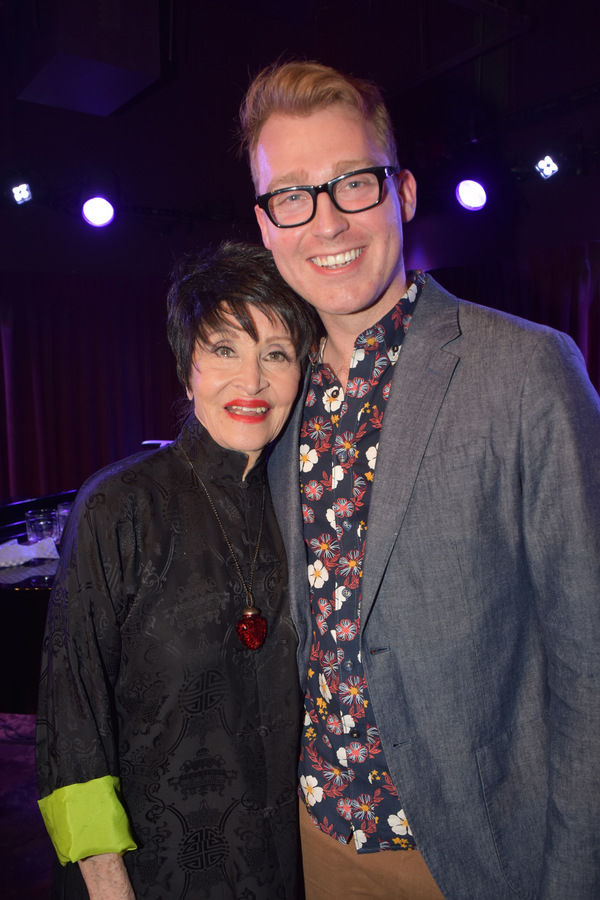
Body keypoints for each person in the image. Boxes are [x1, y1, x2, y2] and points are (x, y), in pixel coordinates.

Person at [238, 60, 600, 899]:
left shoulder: (527, 368)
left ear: (399, 193)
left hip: (477, 854)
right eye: (290, 194)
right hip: (314, 839)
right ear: (265, 225)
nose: (325, 220)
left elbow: (590, 663)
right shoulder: (275, 394)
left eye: (350, 183)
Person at [36, 240, 319, 900]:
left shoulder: (301, 504)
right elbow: (70, 706)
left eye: (275, 354)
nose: (251, 382)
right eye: (225, 349)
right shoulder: (120, 505)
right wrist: (105, 879)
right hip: (154, 872)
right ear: (187, 367)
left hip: (286, 866)